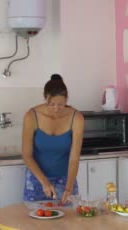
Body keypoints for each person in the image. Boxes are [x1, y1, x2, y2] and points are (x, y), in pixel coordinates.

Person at [22, 74, 84, 204]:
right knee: (35, 222)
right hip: (37, 180)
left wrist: (68, 188)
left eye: (61, 104)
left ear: (67, 100)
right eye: (52, 104)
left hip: (66, 179)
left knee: (68, 221)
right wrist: (44, 182)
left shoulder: (76, 118)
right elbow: (27, 155)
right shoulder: (32, 116)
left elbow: (74, 158)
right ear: (45, 98)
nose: (56, 109)